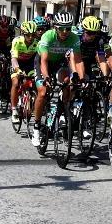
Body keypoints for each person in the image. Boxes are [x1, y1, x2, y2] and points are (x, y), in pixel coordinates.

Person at [31, 12, 85, 147]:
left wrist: (82, 79)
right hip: (44, 63)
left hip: (60, 63)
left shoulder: (73, 38)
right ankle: (36, 127)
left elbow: (78, 61)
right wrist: (47, 77)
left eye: (68, 28)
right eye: (61, 28)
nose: (65, 32)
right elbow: (43, 61)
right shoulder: (47, 36)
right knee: (43, 92)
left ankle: (61, 112)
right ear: (55, 27)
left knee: (67, 83)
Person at [9, 21, 39, 123]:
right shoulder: (17, 41)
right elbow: (14, 58)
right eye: (28, 35)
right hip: (17, 63)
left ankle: (32, 103)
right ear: (23, 34)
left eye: (33, 35)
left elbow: (38, 59)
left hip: (30, 64)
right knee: (16, 83)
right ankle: (14, 110)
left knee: (35, 83)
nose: (31, 38)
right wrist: (17, 70)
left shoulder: (37, 43)